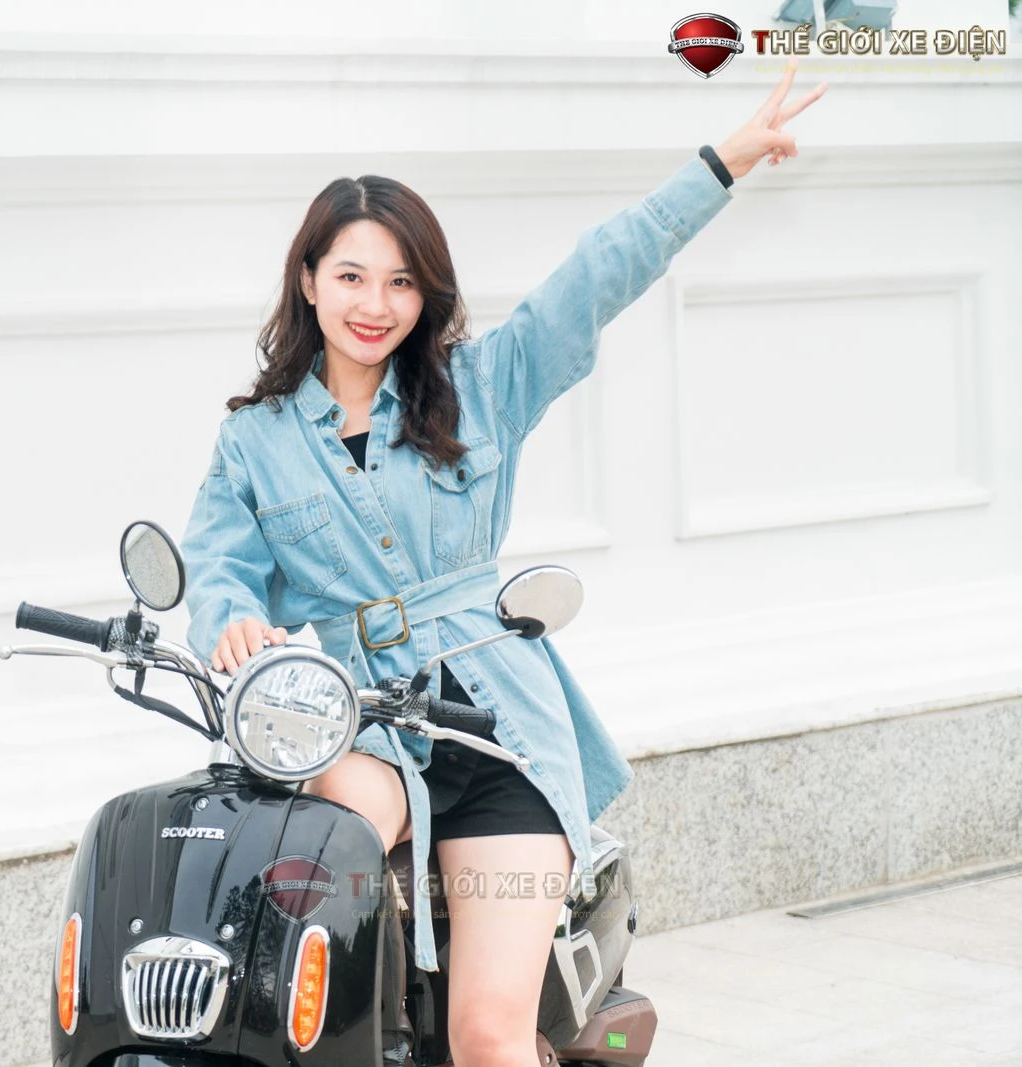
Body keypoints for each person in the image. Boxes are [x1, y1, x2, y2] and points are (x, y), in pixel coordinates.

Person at [180, 61, 826, 1067]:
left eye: (400, 281)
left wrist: (723, 162)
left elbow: (594, 278)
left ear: (424, 293)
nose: (375, 303)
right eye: (350, 275)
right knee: (307, 838)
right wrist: (230, 619)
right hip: (366, 727)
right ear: (307, 280)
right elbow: (217, 564)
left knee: (488, 1035)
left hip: (498, 737)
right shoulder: (254, 439)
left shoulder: (479, 387)